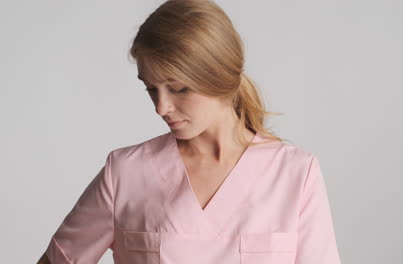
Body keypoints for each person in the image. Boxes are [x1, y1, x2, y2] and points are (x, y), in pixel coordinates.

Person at [37, 0, 341, 263]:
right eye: (151, 89)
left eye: (178, 88)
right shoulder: (126, 173)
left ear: (219, 77)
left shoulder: (295, 174)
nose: (161, 107)